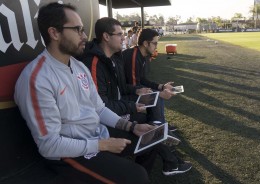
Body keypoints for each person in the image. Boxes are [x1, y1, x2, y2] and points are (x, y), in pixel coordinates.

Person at [14, 3, 157, 184]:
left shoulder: (78, 65)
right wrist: (102, 145)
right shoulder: (36, 79)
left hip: (95, 135)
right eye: (78, 30)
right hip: (67, 154)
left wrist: (131, 126)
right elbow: (49, 145)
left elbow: (99, 108)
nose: (84, 36)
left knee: (149, 141)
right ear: (54, 33)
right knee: (137, 176)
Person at [80, 17, 192, 176]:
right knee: (150, 129)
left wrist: (139, 91)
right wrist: (132, 106)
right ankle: (167, 155)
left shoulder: (114, 57)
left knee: (151, 124)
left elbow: (123, 86)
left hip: (119, 106)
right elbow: (100, 107)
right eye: (119, 34)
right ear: (106, 36)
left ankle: (162, 144)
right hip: (105, 119)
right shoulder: (94, 62)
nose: (124, 38)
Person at [122, 28, 178, 129]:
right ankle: (158, 126)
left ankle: (158, 123)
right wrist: (158, 93)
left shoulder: (142, 55)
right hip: (122, 95)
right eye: (155, 43)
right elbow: (135, 87)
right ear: (145, 43)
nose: (156, 47)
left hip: (130, 89)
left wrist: (161, 86)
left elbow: (142, 80)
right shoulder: (133, 56)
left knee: (156, 94)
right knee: (157, 96)